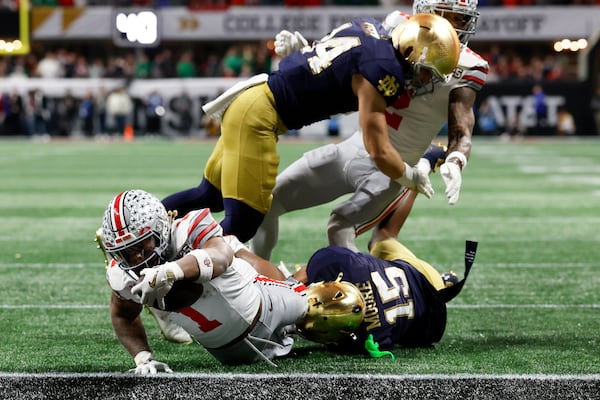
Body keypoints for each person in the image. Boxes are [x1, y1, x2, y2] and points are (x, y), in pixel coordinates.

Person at [162, 14, 461, 243]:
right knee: (243, 222)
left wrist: (302, 51)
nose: (425, 81)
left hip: (253, 99)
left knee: (210, 196)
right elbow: (378, 149)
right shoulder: (385, 71)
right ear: (410, 52)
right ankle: (175, 271)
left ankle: (145, 228)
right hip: (259, 116)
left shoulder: (369, 28)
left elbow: (330, 65)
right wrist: (410, 176)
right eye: (425, 72)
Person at [251, 0, 488, 260]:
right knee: (267, 205)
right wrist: (308, 59)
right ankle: (259, 277)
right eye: (448, 16)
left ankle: (369, 293)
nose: (455, 28)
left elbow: (462, 127)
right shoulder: (397, 25)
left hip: (394, 169)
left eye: (461, 20)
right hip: (356, 147)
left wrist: (456, 159)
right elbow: (352, 61)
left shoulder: (468, 66)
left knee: (339, 228)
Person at [98, 189, 363, 373]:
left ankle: (346, 282)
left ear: (160, 228)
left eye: (142, 246)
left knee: (334, 307)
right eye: (126, 253)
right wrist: (143, 357)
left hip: (265, 303)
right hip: (230, 353)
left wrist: (171, 271)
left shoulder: (188, 228)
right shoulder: (123, 276)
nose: (137, 258)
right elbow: (123, 316)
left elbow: (221, 257)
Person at [291, 189, 477, 353]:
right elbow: (308, 273)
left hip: (431, 313)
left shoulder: (369, 338)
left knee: (384, 238)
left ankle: (414, 179)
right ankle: (415, 179)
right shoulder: (362, 341)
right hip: (421, 280)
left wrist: (288, 288)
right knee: (383, 236)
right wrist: (291, 285)